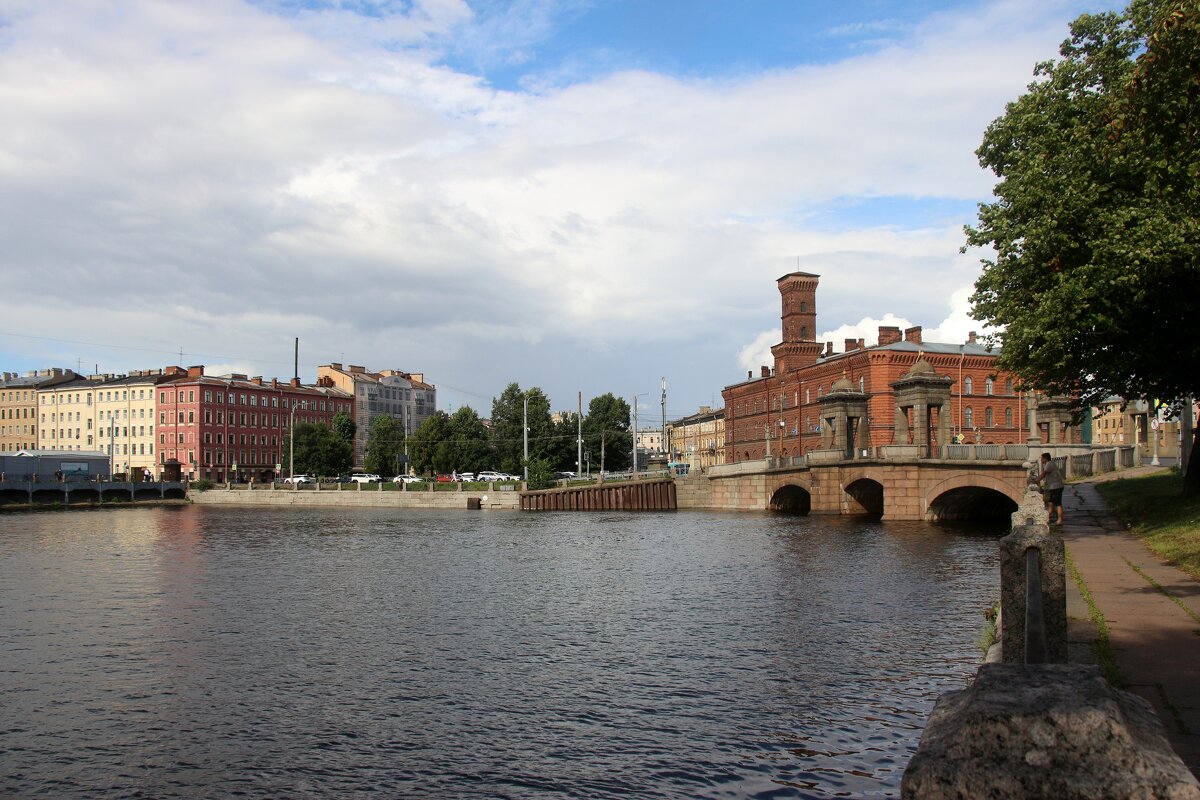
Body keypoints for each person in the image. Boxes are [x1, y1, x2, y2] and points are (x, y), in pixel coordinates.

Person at [1038, 452, 1065, 525]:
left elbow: (1044, 474)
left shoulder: (1049, 464)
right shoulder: (1050, 464)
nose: (1041, 460)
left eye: (1042, 458)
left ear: (1045, 458)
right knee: (1050, 503)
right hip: (1053, 487)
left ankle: (1060, 520)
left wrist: (1037, 480)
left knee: (1058, 504)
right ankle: (1047, 519)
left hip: (1056, 487)